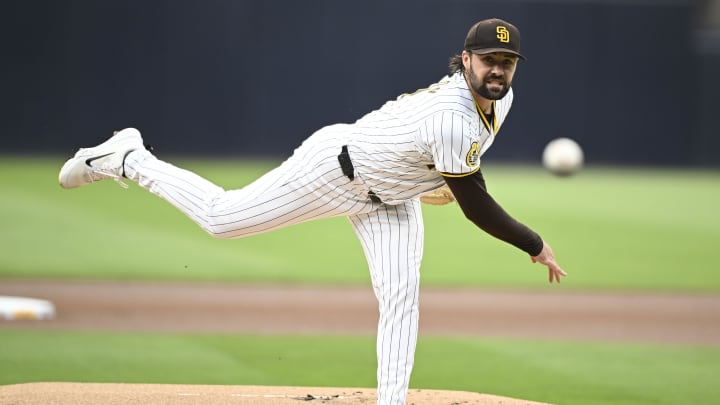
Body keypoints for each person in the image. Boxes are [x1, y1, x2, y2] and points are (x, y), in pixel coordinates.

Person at [58, 17, 567, 405]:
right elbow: (476, 204)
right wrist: (534, 243)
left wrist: (435, 180)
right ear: (465, 59)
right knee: (221, 219)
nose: (498, 69)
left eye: (507, 61)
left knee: (401, 297)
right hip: (335, 168)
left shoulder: (501, 97)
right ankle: (129, 157)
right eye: (488, 59)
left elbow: (460, 172)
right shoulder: (452, 116)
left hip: (389, 197)